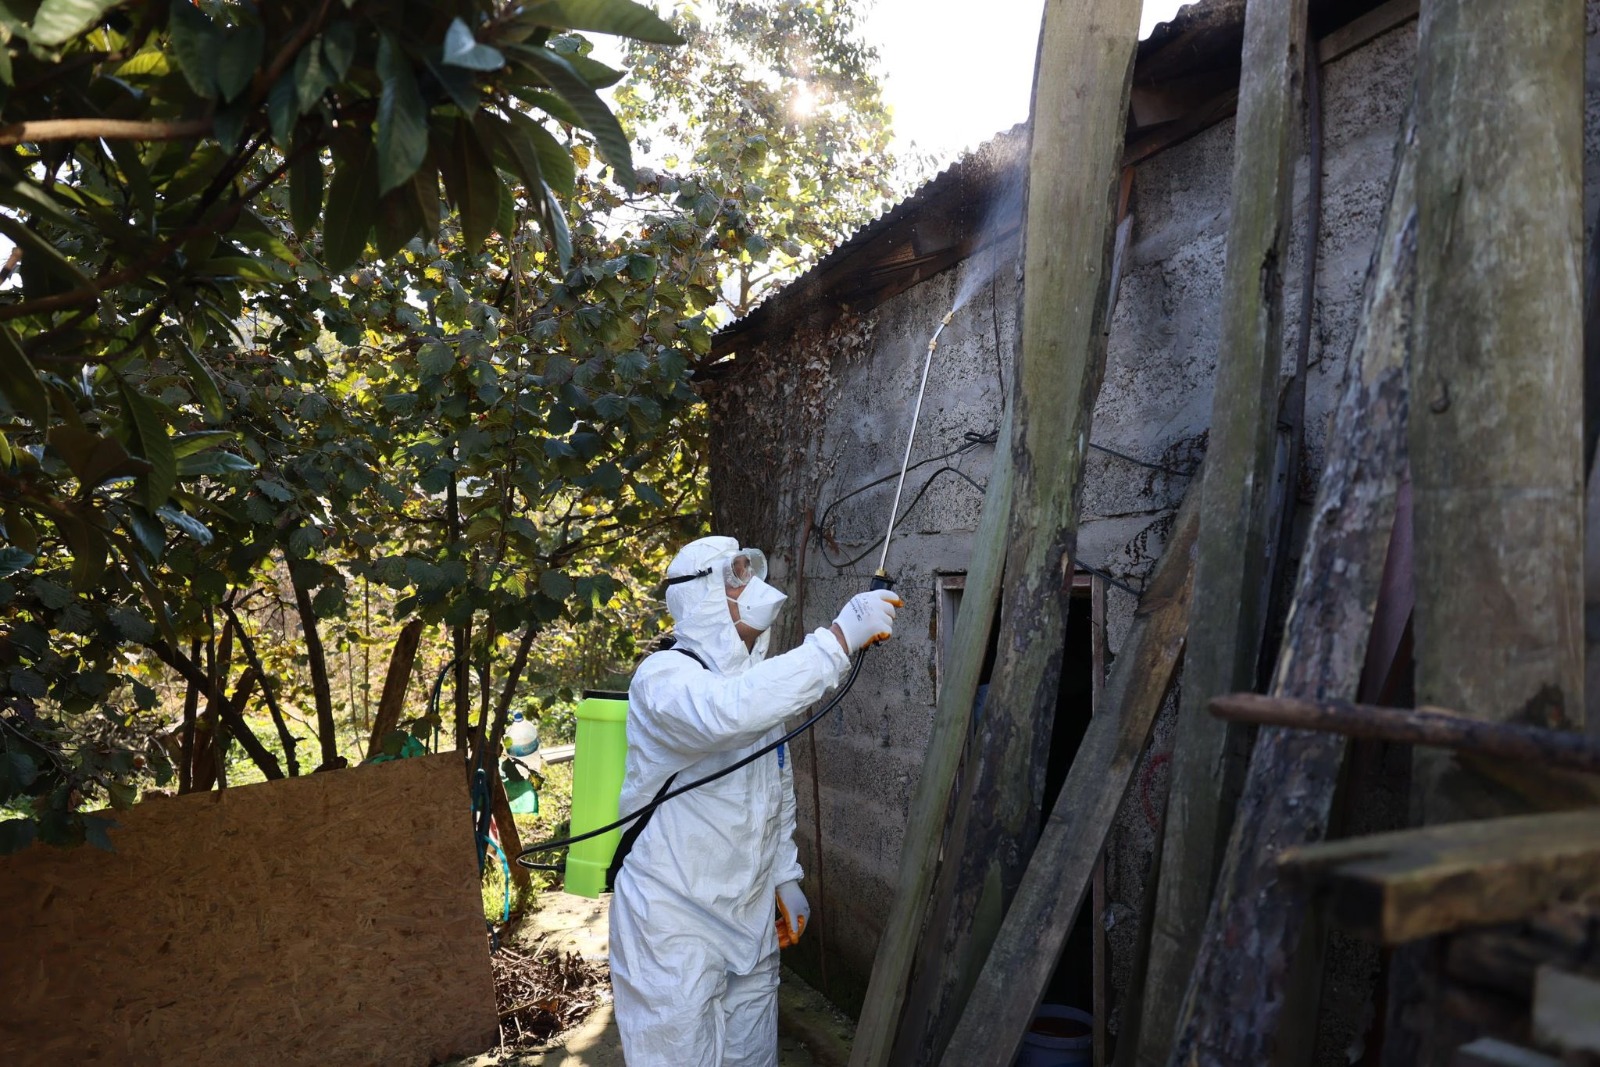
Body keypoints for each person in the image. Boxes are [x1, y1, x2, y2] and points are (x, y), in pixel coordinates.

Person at [609, 535, 901, 1066]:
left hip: (746, 915)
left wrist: (783, 877)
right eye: (734, 577)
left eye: (749, 572)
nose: (749, 586)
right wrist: (836, 640)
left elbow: (774, 789)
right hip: (674, 916)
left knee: (752, 1056)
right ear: (698, 598)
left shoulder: (754, 685)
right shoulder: (663, 679)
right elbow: (727, 714)